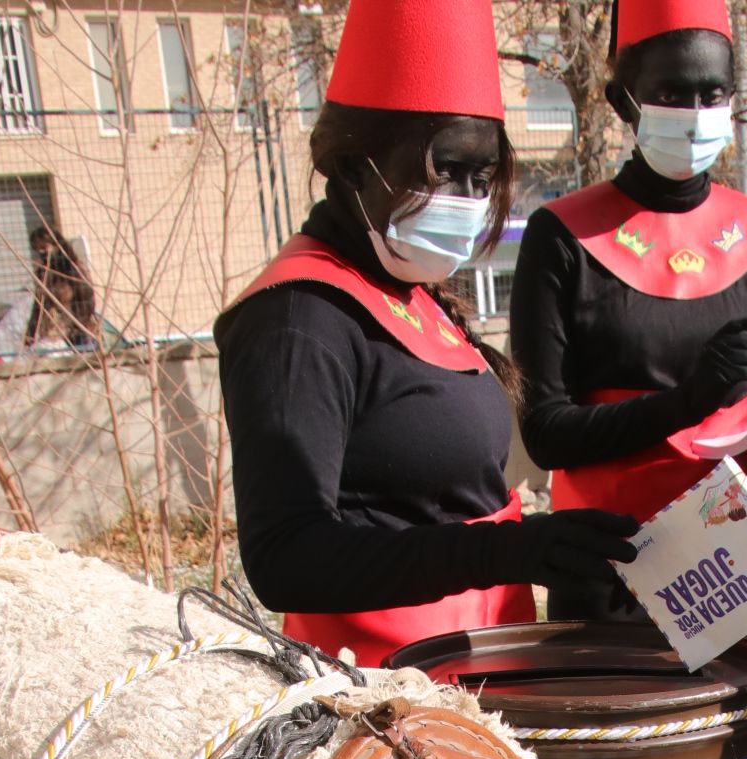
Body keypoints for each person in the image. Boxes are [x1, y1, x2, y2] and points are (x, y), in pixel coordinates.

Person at [214, 0, 638, 666]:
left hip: (475, 676)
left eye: (483, 175)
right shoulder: (296, 319)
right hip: (381, 710)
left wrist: (536, 546)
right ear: (357, 166)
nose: (467, 199)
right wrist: (506, 552)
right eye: (445, 170)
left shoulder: (411, 289)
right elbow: (285, 556)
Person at [508, 0, 747, 619]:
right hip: (607, 571)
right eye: (671, 91)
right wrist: (688, 400)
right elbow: (544, 432)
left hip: (736, 568)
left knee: (742, 718)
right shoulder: (561, 235)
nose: (695, 114)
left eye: (713, 93)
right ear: (623, 101)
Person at [24, 226, 96, 349]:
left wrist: (74, 328)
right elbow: (38, 305)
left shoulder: (72, 269)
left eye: (44, 248)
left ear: (56, 245)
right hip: (56, 334)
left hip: (80, 334)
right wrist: (30, 334)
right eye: (37, 250)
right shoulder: (44, 274)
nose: (42, 253)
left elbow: (87, 301)